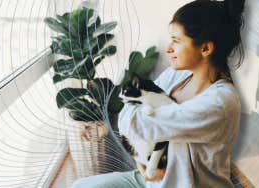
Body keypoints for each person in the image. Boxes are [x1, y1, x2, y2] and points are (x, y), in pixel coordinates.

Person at [71, 0, 245, 187]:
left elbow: (135, 123)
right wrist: (141, 164)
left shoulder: (221, 102)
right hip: (152, 180)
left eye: (176, 41)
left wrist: (134, 113)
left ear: (205, 48)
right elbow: (128, 121)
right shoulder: (177, 75)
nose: (168, 48)